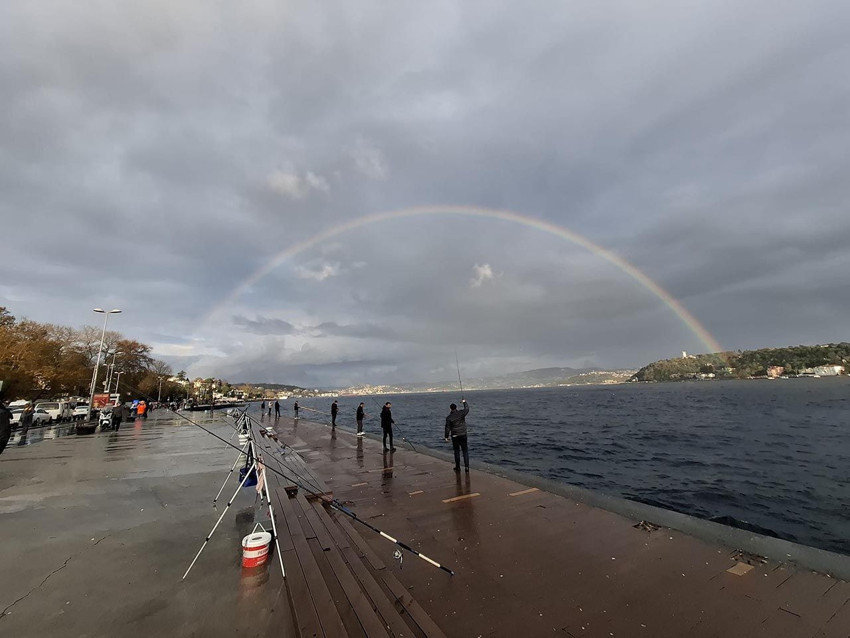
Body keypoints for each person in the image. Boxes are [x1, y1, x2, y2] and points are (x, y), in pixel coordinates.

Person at [445, 399, 470, 472]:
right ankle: (467, 468)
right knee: (465, 451)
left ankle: (458, 467)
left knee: (456, 451)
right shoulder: (461, 413)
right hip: (463, 434)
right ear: (456, 408)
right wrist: (464, 402)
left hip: (455, 435)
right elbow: (467, 409)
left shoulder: (449, 418)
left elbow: (447, 428)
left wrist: (446, 437)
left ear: (450, 408)